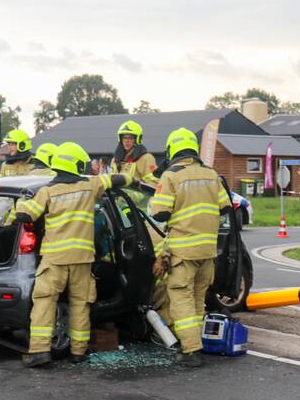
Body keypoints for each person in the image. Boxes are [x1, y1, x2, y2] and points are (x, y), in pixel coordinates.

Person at [15, 142, 132, 368]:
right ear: (76, 164)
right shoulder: (89, 186)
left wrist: (21, 200)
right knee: (80, 304)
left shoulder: (47, 192)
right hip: (82, 260)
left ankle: (39, 351)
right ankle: (78, 352)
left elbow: (26, 216)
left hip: (54, 261)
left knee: (44, 303)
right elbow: (115, 180)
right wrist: (133, 180)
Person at [150, 128, 230, 367]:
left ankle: (190, 350)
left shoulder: (171, 175)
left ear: (172, 149)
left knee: (181, 299)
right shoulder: (210, 173)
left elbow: (160, 213)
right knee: (197, 299)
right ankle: (198, 344)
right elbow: (226, 208)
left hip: (183, 251)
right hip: (207, 251)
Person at [110, 120, 159, 184]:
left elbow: (153, 182)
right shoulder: (115, 159)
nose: (127, 141)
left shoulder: (146, 158)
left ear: (137, 139)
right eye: (124, 138)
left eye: (130, 138)